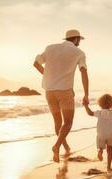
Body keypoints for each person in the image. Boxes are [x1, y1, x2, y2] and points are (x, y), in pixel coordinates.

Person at [33, 29, 89, 162]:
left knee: (58, 123)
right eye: (79, 40)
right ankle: (57, 146)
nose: (79, 42)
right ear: (75, 39)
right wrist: (86, 94)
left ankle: (66, 148)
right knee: (68, 123)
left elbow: (36, 63)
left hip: (49, 91)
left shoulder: (50, 48)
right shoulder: (79, 53)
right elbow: (83, 72)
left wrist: (49, 77)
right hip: (64, 91)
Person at [83, 94, 112, 172]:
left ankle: (100, 151)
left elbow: (90, 113)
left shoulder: (99, 113)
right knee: (110, 150)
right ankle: (108, 167)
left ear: (100, 103)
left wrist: (85, 106)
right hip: (110, 135)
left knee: (101, 146)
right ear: (111, 103)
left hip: (101, 135)